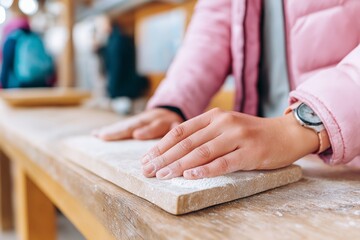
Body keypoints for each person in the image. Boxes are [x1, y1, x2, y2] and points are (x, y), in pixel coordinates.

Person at [94, 0, 360, 180]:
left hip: (347, 159)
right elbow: (213, 24)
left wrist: (307, 122)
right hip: (258, 155)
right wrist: (174, 103)